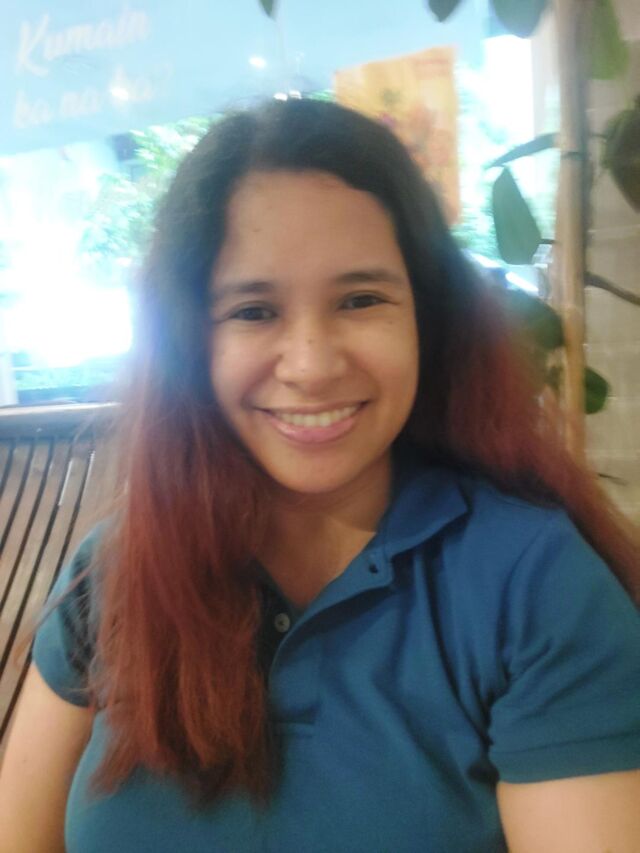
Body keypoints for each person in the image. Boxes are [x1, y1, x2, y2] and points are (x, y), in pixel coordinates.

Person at [1, 98, 639, 853]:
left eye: (360, 300)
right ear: (189, 341)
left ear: (427, 320)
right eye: (253, 311)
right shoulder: (116, 571)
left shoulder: (535, 584)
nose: (310, 365)